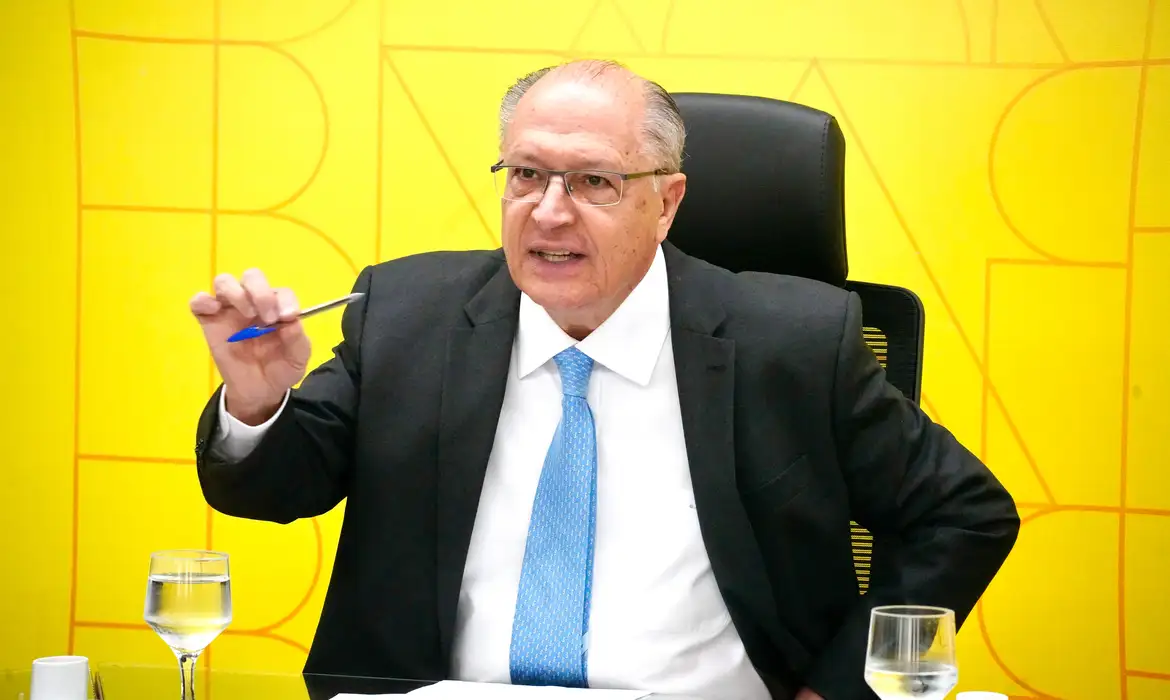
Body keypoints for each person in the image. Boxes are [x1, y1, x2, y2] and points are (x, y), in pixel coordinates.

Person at [190, 60, 1020, 700]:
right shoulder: (409, 315)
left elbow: (964, 513)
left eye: (594, 181)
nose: (549, 211)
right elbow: (273, 489)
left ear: (666, 203)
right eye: (526, 174)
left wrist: (836, 691)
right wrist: (258, 399)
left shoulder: (791, 344)